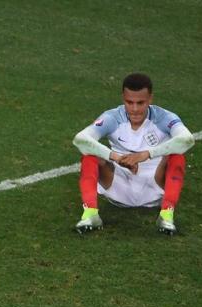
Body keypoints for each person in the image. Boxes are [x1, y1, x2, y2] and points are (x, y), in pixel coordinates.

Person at [73, 72, 195, 235]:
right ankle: (91, 214)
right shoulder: (112, 117)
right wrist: (116, 157)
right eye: (129, 102)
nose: (135, 109)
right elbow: (80, 139)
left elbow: (187, 139)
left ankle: (166, 215)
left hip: (154, 183)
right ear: (123, 98)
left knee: (177, 155)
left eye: (140, 103)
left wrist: (146, 154)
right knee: (89, 155)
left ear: (150, 99)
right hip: (119, 181)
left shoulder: (165, 117)